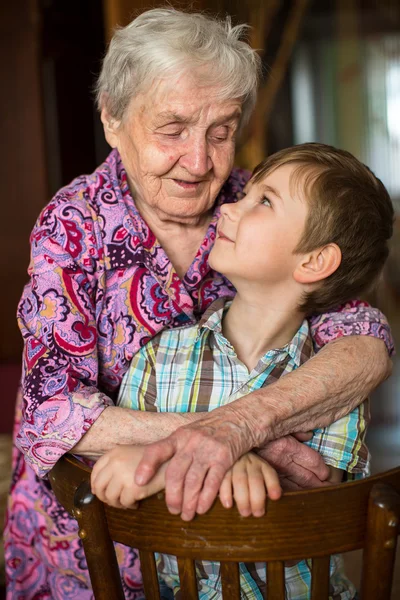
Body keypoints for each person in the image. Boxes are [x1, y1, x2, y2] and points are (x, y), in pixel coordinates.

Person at [4, 9, 393, 600]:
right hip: (97, 547)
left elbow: (365, 344)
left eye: (221, 130)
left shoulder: (248, 208)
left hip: (247, 563)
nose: (200, 161)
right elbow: (51, 412)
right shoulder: (73, 226)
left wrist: (237, 428)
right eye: (172, 129)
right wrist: (221, 440)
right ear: (112, 118)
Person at [91, 142, 394, 599]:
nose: (229, 208)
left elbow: (324, 504)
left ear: (314, 261)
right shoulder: (158, 356)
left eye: (264, 201)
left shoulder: (330, 383)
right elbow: (113, 479)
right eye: (246, 194)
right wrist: (222, 464)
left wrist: (168, 465)